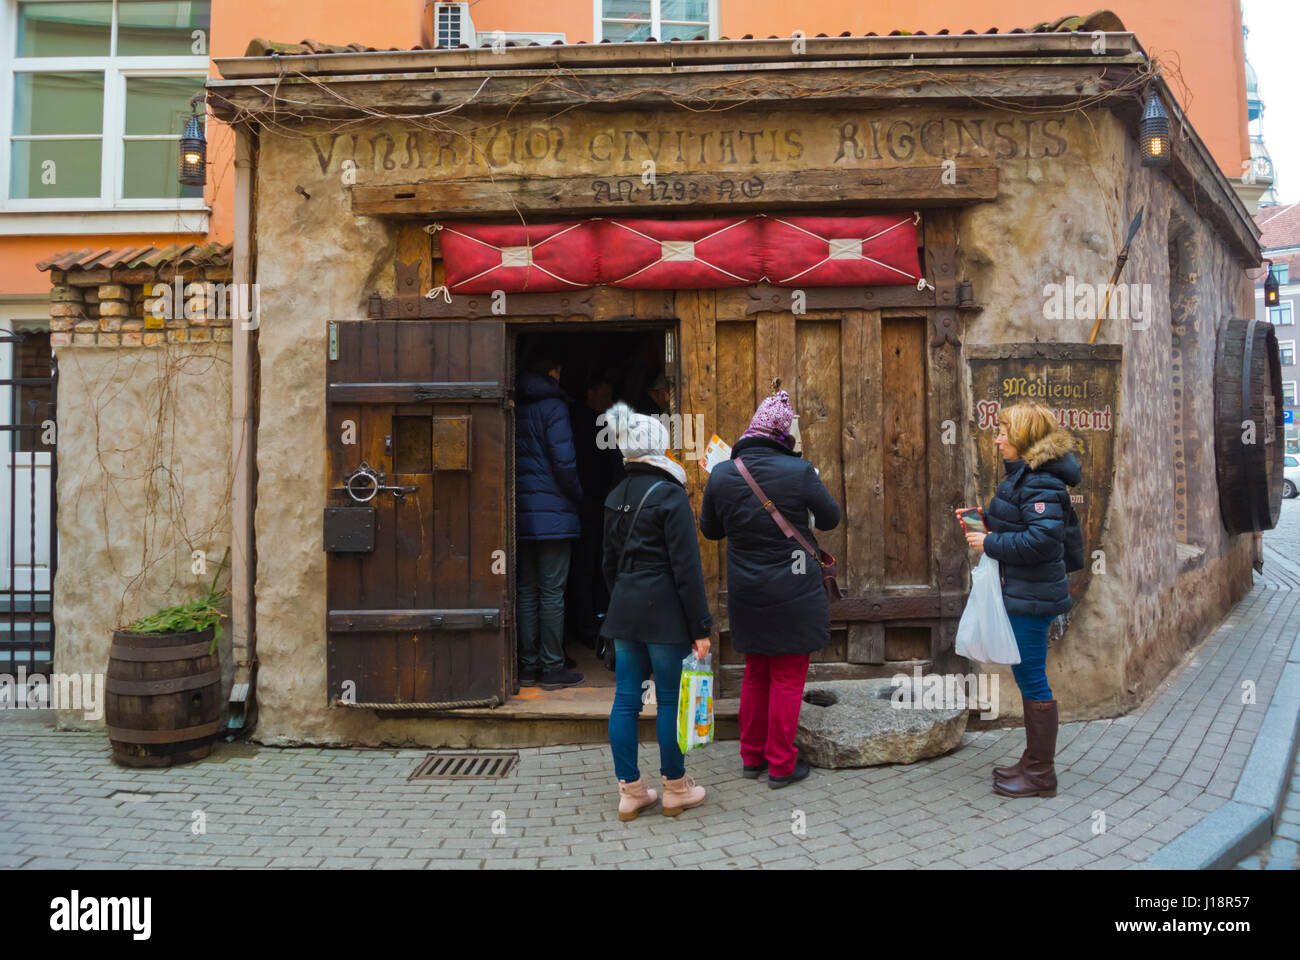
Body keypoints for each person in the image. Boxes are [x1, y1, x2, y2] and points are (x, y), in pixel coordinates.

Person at [699, 386, 840, 789]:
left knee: (756, 672)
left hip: (748, 590)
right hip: (794, 590)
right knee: (788, 677)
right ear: (784, 434)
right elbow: (830, 519)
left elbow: (710, 530)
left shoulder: (724, 472)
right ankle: (781, 765)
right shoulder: (800, 472)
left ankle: (752, 757)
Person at [959, 399, 1080, 799]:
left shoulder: (1041, 482)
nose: (997, 440)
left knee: (1031, 677)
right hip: (1024, 591)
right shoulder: (1026, 476)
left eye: (1003, 433)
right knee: (1028, 676)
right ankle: (1032, 762)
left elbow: (1042, 541)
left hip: (1032, 597)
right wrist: (986, 523)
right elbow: (1025, 524)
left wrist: (990, 541)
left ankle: (1042, 774)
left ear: (1024, 437)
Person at [601, 402, 712, 820]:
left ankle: (630, 792)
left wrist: (622, 599)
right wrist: (700, 626)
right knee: (668, 699)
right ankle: (675, 788)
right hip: (666, 615)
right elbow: (687, 569)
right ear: (660, 445)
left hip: (625, 611)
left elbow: (607, 565)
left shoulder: (613, 496)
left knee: (626, 698)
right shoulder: (670, 494)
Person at [515, 355, 584, 689]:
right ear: (553, 370)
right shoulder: (553, 406)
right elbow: (564, 462)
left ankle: (527, 666)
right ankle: (552, 666)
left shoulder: (516, 403)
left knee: (526, 590)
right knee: (552, 592)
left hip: (521, 511)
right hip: (554, 512)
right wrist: (577, 497)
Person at [568, 373, 624, 657]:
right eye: (604, 392)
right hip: (588, 504)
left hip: (602, 504)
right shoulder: (581, 421)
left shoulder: (603, 422)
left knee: (601, 564)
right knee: (587, 566)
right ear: (590, 391)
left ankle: (597, 625)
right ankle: (587, 627)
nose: (608, 399)